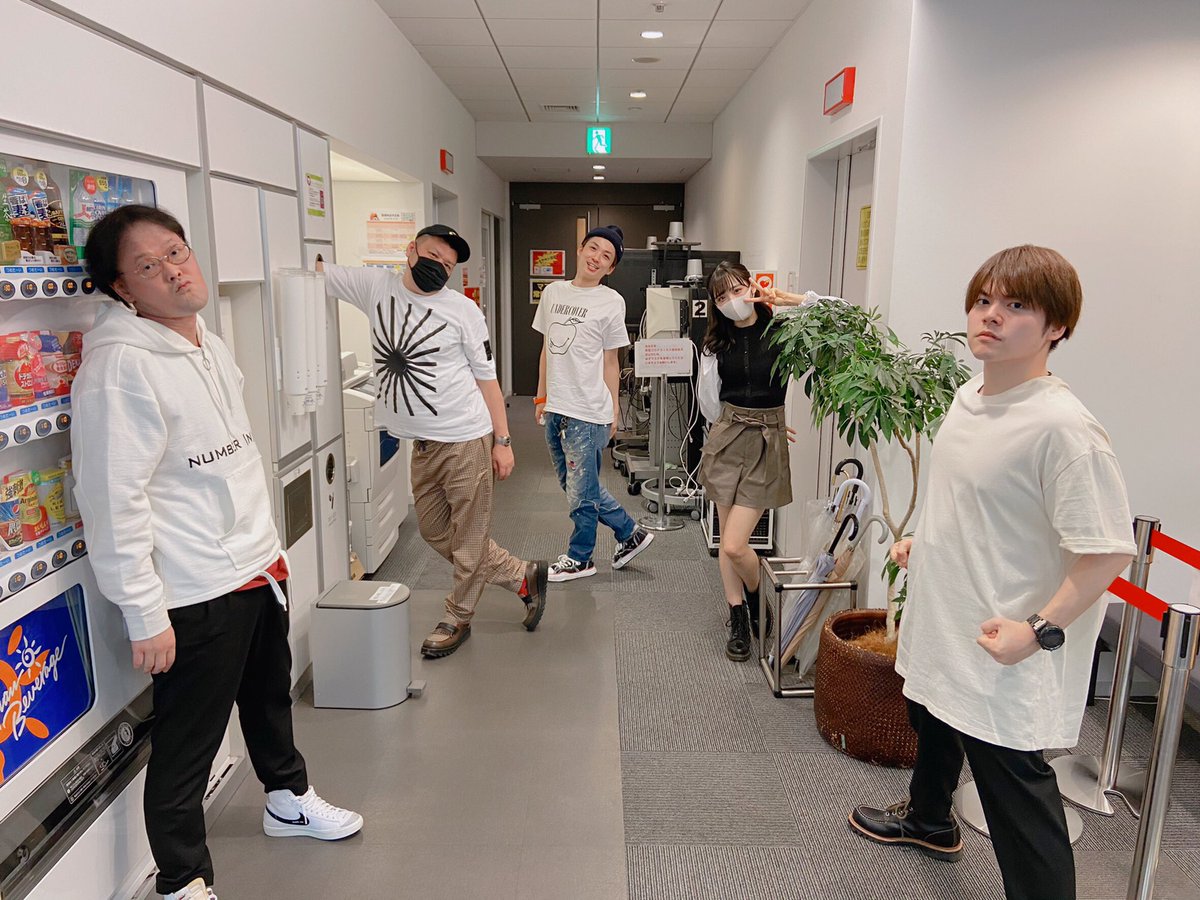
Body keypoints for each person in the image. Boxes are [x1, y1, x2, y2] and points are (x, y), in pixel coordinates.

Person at [72, 205, 363, 900]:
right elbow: (112, 500)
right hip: (195, 585)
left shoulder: (207, 339)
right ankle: (181, 879)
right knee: (189, 742)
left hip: (254, 566)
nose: (175, 270)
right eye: (149, 265)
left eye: (177, 251)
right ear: (122, 288)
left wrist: (269, 550)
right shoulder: (119, 369)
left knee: (268, 698)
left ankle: (287, 799)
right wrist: (144, 611)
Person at [849, 246, 1135, 900]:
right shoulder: (970, 395)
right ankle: (929, 819)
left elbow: (1107, 552)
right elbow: (976, 498)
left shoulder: (1064, 429)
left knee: (1016, 797)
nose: (991, 315)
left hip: (1003, 644)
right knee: (930, 714)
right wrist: (926, 542)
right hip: (946, 614)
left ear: (1057, 326)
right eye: (983, 301)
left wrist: (1036, 630)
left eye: (1016, 305)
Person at [320, 225, 547, 659]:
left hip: (465, 438)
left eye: (447, 264)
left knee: (470, 537)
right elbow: (316, 271)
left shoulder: (463, 310)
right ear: (410, 251)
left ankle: (457, 617)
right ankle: (522, 575)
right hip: (421, 444)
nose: (438, 267)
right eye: (432, 256)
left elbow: (488, 380)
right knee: (434, 530)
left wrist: (503, 440)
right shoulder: (376, 287)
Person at [696, 262, 806, 660]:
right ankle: (739, 615)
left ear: (752, 286)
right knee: (727, 542)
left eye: (737, 290)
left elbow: (838, 314)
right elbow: (710, 402)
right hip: (727, 437)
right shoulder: (715, 343)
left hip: (765, 442)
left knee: (735, 544)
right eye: (721, 297)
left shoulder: (784, 332)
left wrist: (786, 299)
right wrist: (740, 421)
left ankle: (758, 596)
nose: (731, 301)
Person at [533, 225, 654, 581]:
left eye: (606, 256)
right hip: (556, 406)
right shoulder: (553, 293)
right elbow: (546, 350)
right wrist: (541, 396)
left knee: (581, 494)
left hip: (587, 411)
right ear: (580, 248)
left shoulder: (611, 301)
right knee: (575, 486)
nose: (596, 258)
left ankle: (580, 557)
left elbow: (611, 361)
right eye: (593, 248)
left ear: (611, 267)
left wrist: (614, 409)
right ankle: (629, 533)